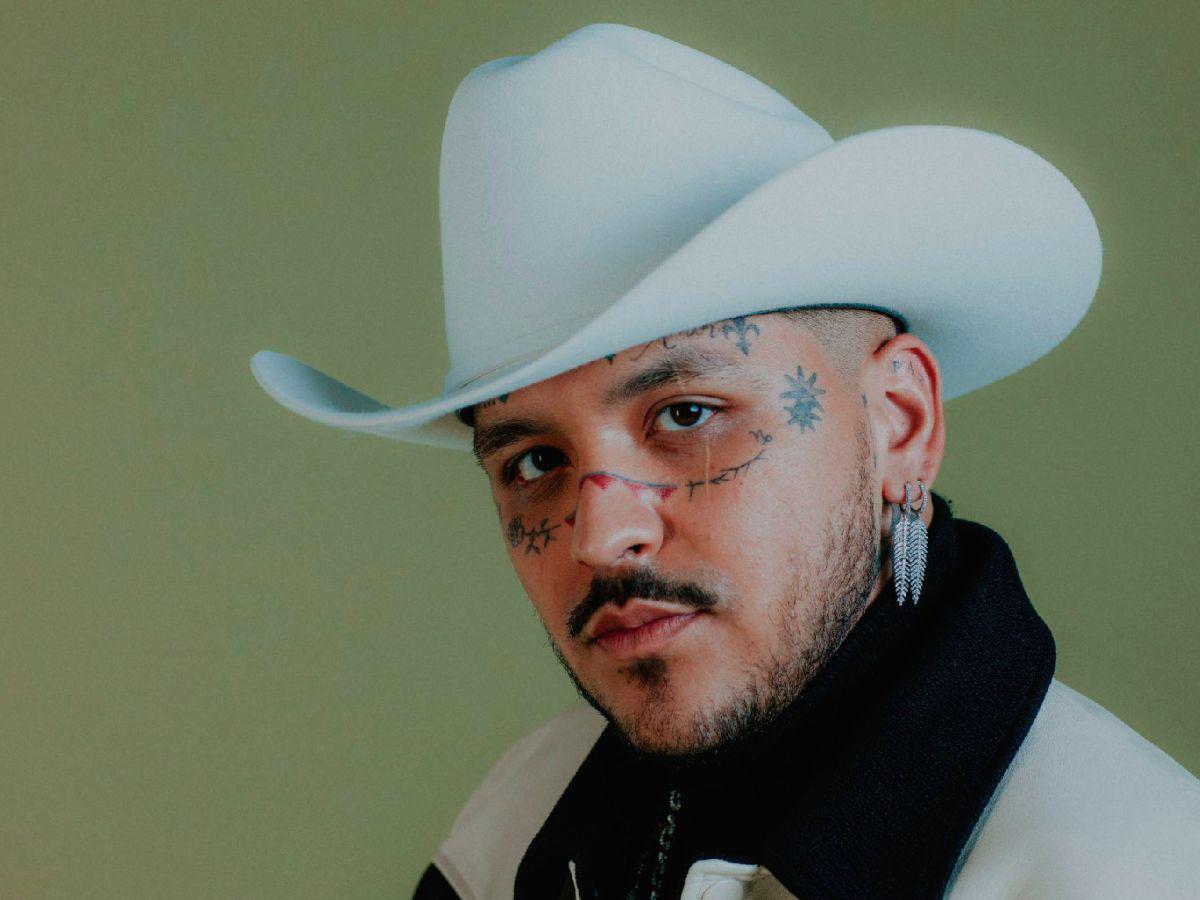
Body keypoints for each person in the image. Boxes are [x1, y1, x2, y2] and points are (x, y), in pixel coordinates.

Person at [249, 23, 1200, 900]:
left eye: (687, 414)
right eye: (535, 461)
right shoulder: (520, 820)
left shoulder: (1121, 870)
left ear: (900, 422)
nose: (601, 535)